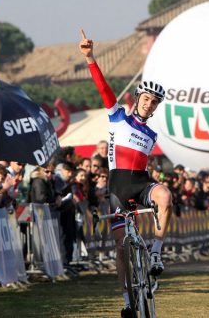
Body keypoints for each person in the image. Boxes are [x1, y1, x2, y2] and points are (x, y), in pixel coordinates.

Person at [80, 30, 172, 317]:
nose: (149, 104)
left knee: (165, 196)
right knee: (121, 248)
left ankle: (156, 251)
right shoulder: (118, 116)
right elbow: (104, 89)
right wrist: (90, 58)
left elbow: (143, 167)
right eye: (146, 99)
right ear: (137, 98)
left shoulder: (152, 133)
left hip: (141, 183)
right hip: (119, 188)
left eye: (154, 102)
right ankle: (127, 302)